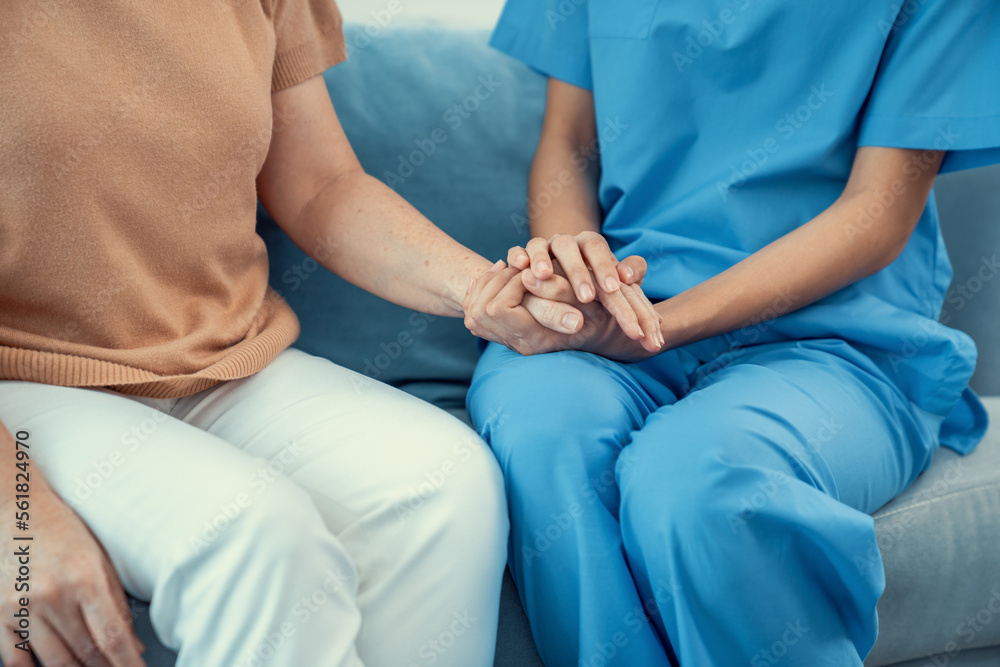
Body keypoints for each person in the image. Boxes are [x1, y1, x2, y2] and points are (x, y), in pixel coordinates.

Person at [0, 1, 660, 666]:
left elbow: (322, 186)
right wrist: (12, 514)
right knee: (254, 536)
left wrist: (488, 290)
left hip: (227, 359)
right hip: (30, 384)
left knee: (445, 483)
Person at [464, 1, 1000, 665]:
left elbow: (878, 210)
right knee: (541, 429)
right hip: (621, 308)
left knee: (696, 483)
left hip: (832, 338)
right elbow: (571, 142)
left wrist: (656, 325)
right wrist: (575, 271)